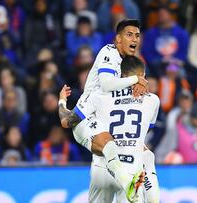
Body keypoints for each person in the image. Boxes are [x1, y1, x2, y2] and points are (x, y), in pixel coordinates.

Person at [59, 56, 160, 202]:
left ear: (120, 75)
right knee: (147, 156)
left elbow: (67, 121)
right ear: (143, 76)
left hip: (102, 168)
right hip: (131, 170)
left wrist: (62, 101)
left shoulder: (100, 94)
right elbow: (146, 128)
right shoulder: (153, 100)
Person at [142, 6, 189, 77]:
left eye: (163, 14)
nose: (161, 16)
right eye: (159, 15)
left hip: (175, 64)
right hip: (158, 65)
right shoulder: (150, 33)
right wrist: (161, 60)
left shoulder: (182, 33)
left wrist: (173, 62)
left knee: (181, 73)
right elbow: (147, 53)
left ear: (170, 15)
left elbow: (183, 52)